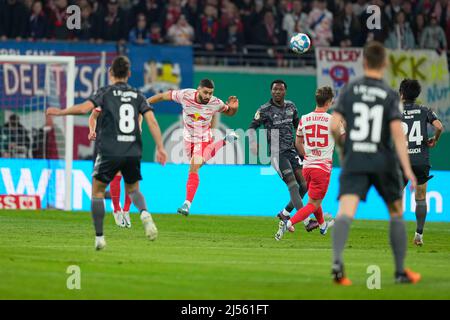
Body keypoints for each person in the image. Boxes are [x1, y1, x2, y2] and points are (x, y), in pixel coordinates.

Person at [47, 56, 168, 250]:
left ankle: (100, 238)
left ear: (111, 73)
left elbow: (83, 109)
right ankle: (145, 213)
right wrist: (161, 147)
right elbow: (152, 121)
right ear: (129, 74)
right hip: (132, 149)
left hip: (110, 149)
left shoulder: (104, 93)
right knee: (134, 190)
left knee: (97, 192)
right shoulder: (138, 95)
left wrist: (60, 112)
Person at [329, 41, 420, 285]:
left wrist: (343, 148)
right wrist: (409, 171)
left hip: (355, 158)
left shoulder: (349, 89)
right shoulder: (390, 94)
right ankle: (400, 272)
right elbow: (398, 136)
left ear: (364, 62)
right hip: (383, 160)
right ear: (385, 63)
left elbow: (333, 125)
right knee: (396, 212)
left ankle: (337, 264)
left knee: (345, 211)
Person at [146, 79, 239, 216]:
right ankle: (225, 141)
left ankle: (186, 204)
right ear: (198, 89)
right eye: (205, 92)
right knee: (197, 165)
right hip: (188, 140)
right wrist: (144, 104)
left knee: (194, 166)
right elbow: (161, 96)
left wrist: (234, 108)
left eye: (211, 93)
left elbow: (229, 112)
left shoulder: (215, 102)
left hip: (204, 139)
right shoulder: (185, 95)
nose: (208, 96)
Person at [249, 80, 319, 233]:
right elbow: (251, 128)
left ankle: (285, 213)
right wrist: (253, 143)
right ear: (271, 91)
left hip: (292, 152)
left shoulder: (291, 107)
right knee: (293, 185)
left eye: (280, 89)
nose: (277, 92)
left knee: (304, 186)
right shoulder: (264, 109)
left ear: (285, 91)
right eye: (274, 89)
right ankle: (307, 221)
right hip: (276, 153)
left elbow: (298, 127)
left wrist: (304, 145)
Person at [275, 86, 342, 240]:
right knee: (313, 204)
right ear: (330, 102)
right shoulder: (333, 120)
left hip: (307, 166)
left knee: (314, 198)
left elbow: (298, 143)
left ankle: (323, 226)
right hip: (322, 168)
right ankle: (288, 223)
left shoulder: (305, 118)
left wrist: (309, 156)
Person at [399, 79, 444, 246]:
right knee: (420, 197)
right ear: (416, 95)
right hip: (420, 160)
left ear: (401, 93)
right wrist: (435, 140)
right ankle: (419, 234)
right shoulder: (424, 110)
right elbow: (439, 126)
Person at [88, 109, 143, 228]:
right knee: (117, 175)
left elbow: (139, 114)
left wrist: (139, 126)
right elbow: (93, 116)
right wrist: (92, 130)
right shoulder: (105, 100)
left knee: (130, 177)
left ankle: (126, 210)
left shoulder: (131, 98)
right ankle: (117, 210)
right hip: (111, 141)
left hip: (130, 140)